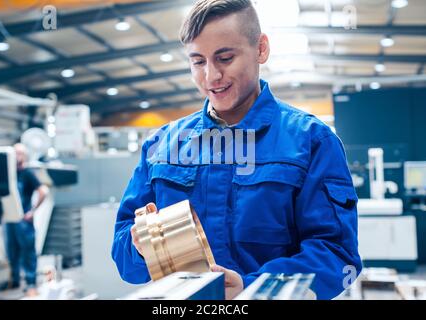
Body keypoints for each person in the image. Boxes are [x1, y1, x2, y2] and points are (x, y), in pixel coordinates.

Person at [112, 0, 362, 300]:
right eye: (198, 61)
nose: (211, 76)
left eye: (225, 58)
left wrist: (251, 287)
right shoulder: (161, 146)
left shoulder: (311, 141)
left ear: (261, 49)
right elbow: (124, 258)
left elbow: (337, 255)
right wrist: (140, 247)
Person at [3, 143, 49, 297]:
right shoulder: (8, 174)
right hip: (9, 220)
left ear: (25, 156)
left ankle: (31, 284)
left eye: (20, 154)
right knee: (12, 252)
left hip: (24, 221)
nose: (17, 156)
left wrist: (32, 211)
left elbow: (43, 191)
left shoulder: (28, 174)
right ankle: (14, 281)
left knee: (28, 253)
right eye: (15, 153)